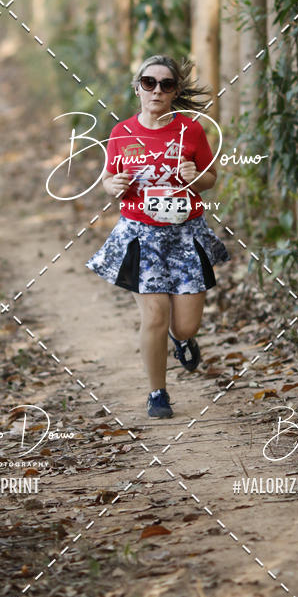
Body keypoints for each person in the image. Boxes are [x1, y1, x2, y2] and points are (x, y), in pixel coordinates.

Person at [86, 55, 230, 419]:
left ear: (175, 91)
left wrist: (196, 177)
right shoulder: (121, 132)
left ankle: (182, 339)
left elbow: (211, 179)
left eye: (166, 85)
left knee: (185, 324)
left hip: (185, 234)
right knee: (154, 315)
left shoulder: (191, 131)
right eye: (149, 83)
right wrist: (113, 186)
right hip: (141, 234)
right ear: (137, 87)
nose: (157, 91)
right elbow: (108, 179)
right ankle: (157, 393)